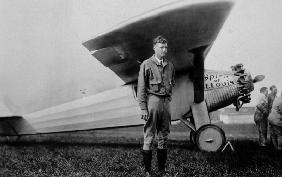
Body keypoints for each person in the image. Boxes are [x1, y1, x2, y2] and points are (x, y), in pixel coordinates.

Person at [137, 35, 175, 177]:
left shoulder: (170, 65)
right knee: (149, 136)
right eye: (161, 47)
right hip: (152, 101)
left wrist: (168, 98)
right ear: (154, 48)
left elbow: (172, 82)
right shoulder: (146, 64)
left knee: (164, 136)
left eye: (166, 47)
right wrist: (143, 107)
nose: (164, 50)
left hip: (166, 103)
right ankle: (148, 171)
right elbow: (141, 87)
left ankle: (161, 170)